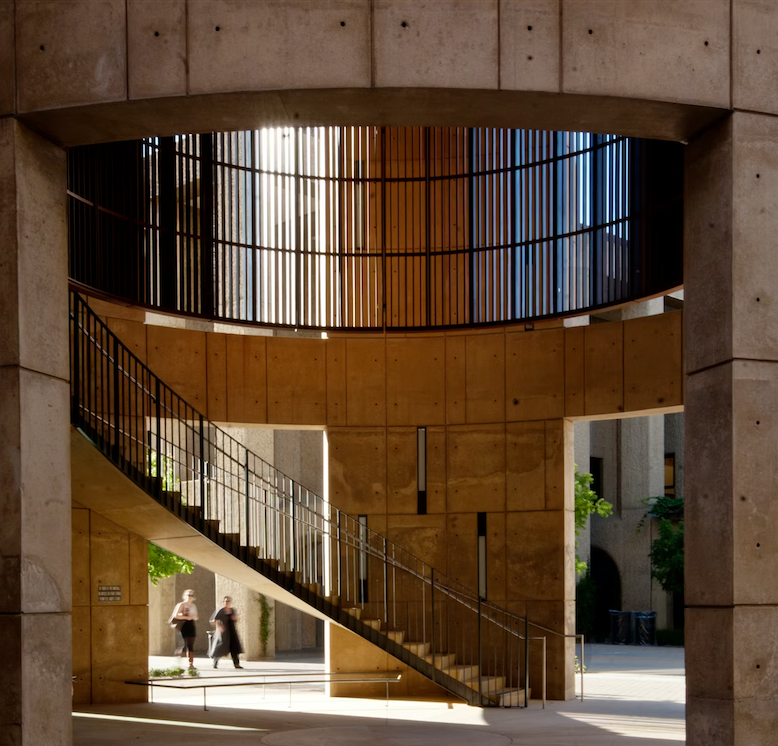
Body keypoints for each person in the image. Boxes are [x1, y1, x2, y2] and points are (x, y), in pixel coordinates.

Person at [208, 596, 244, 669]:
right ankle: (215, 663)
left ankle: (236, 664)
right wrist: (220, 627)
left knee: (234, 648)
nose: (227, 603)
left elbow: (235, 619)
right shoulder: (221, 610)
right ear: (223, 602)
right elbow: (214, 620)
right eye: (225, 601)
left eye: (228, 601)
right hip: (224, 633)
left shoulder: (232, 610)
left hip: (232, 631)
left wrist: (235, 618)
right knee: (220, 647)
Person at [171, 589, 199, 670]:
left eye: (191, 595)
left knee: (190, 645)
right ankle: (177, 661)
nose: (190, 597)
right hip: (183, 625)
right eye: (188, 595)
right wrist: (186, 617)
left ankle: (191, 664)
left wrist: (193, 617)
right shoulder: (181, 605)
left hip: (191, 624)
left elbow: (196, 616)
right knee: (183, 644)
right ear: (184, 596)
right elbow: (175, 615)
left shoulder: (193, 606)